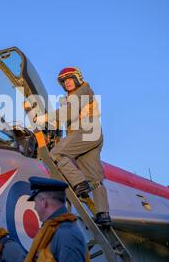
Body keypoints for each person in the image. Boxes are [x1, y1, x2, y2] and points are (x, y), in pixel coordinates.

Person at [25, 66, 111, 227]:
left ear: (78, 78)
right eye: (64, 80)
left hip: (86, 131)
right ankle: (103, 215)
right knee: (96, 179)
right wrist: (41, 120)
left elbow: (68, 114)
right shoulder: (70, 98)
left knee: (55, 154)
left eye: (70, 78)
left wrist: (42, 118)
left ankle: (79, 184)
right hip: (90, 135)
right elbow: (62, 119)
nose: (68, 82)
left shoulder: (83, 91)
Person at [23, 176, 89, 262]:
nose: (35, 207)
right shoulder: (53, 231)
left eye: (35, 202)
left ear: (43, 202)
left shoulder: (67, 235)